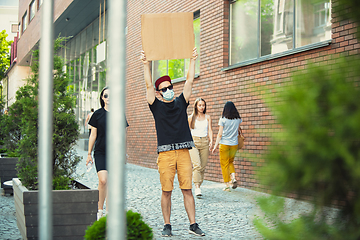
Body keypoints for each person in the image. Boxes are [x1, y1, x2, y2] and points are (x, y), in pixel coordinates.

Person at [140, 48, 205, 237]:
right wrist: (146, 64)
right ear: (159, 92)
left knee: (187, 190)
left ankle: (193, 224)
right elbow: (147, 85)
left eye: (170, 87)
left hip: (184, 152)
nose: (168, 90)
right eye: (164, 89)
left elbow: (190, 80)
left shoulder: (181, 101)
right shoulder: (156, 106)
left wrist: (193, 60)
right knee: (166, 191)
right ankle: (167, 225)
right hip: (165, 154)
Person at [86, 87, 129, 220]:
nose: (109, 97)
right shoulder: (97, 115)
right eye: (106, 95)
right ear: (102, 98)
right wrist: (88, 154)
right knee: (103, 180)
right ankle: (99, 210)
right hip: (100, 152)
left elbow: (123, 135)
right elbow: (93, 135)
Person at [211, 101, 244, 192]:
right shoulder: (238, 119)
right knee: (230, 162)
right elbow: (237, 130)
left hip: (224, 144)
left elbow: (219, 134)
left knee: (224, 165)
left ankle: (226, 185)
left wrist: (215, 146)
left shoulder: (223, 120)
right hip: (234, 144)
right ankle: (233, 178)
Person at [188, 98, 213, 197]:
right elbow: (187, 130)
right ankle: (197, 187)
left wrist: (211, 140)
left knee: (202, 166)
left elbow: (210, 130)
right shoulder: (191, 117)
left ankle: (199, 183)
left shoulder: (207, 117)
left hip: (204, 142)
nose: (202, 107)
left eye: (203, 105)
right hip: (194, 142)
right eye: (200, 105)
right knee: (197, 165)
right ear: (196, 106)